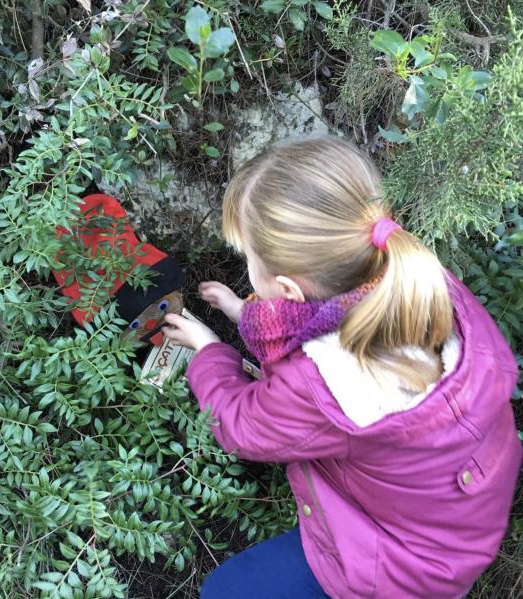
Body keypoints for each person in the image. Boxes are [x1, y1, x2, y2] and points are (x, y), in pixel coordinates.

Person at [162, 136, 522, 599]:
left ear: (289, 289)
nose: (247, 266)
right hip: (461, 510)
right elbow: (302, 325)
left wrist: (209, 348)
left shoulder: (329, 385)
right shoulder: (415, 280)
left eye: (249, 259)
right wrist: (242, 312)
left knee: (225, 592)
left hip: (401, 568)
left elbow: (240, 425)